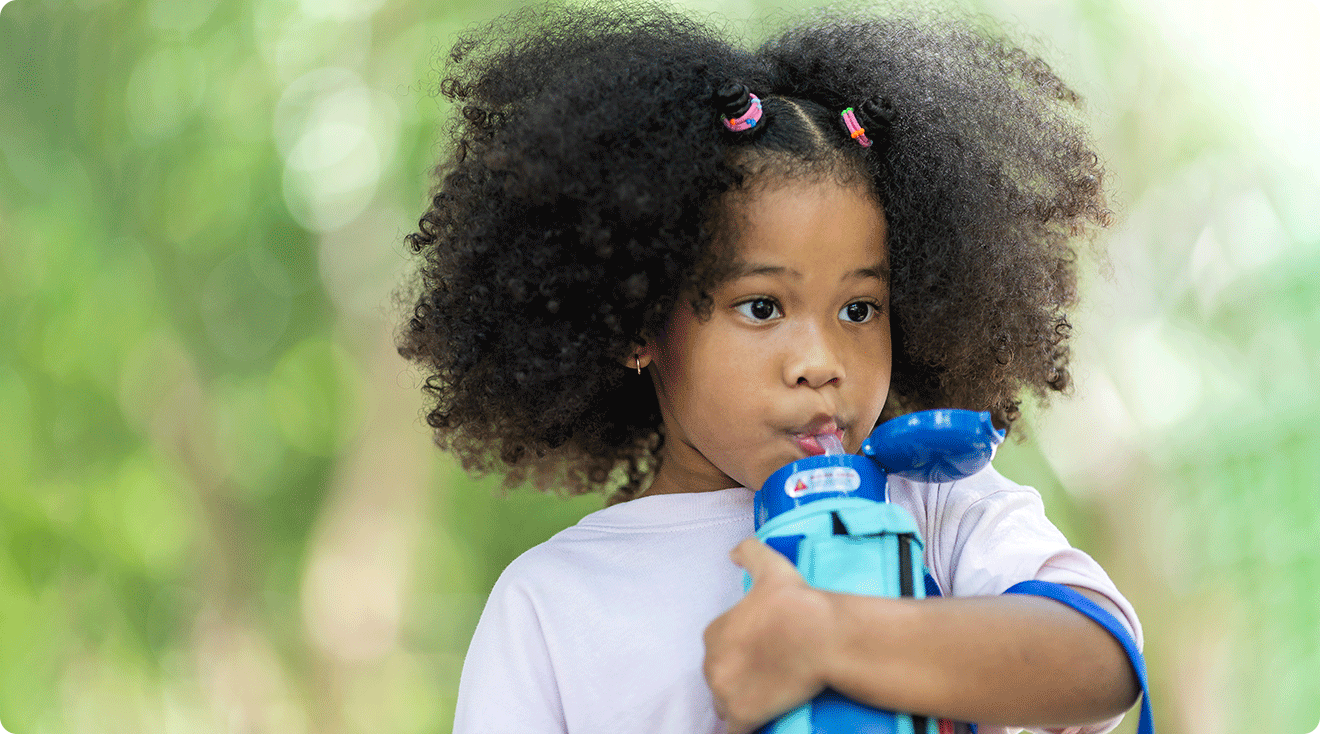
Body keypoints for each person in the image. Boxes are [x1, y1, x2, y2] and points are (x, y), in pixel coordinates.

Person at [397, 4, 1145, 733]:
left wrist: (833, 639)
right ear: (634, 322)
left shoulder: (937, 507)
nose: (821, 364)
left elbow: (1103, 663)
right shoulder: (552, 604)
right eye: (760, 307)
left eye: (860, 310)